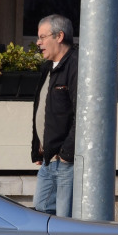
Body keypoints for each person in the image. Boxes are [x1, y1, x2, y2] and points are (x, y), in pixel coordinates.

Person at [30, 14, 79, 217]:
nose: (38, 43)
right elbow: (42, 110)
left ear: (59, 36)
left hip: (65, 162)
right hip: (49, 159)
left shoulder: (76, 66)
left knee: (63, 221)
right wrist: (38, 149)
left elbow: (84, 116)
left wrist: (66, 154)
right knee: (41, 212)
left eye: (43, 37)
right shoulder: (48, 68)